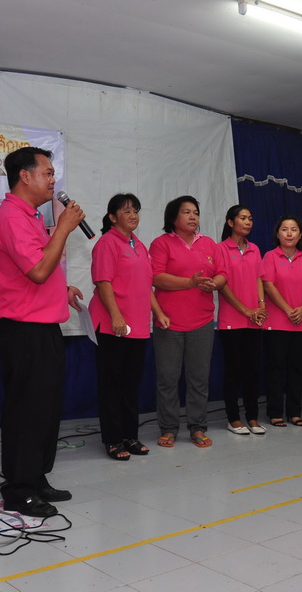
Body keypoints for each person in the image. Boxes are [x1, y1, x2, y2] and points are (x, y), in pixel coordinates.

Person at [0, 146, 86, 518]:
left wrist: (63, 290)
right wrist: (63, 228)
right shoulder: (11, 217)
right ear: (25, 176)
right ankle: (18, 490)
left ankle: (36, 477)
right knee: (26, 412)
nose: (52, 180)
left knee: (45, 410)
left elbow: (37, 273)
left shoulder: (29, 216)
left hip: (44, 328)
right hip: (24, 332)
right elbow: (39, 271)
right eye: (47, 172)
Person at [89, 193, 169, 460]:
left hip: (137, 325)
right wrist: (116, 315)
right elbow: (103, 282)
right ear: (113, 218)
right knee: (112, 385)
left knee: (130, 384)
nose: (133, 215)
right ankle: (113, 440)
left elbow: (146, 285)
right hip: (112, 325)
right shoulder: (107, 243)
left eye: (135, 210)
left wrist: (158, 312)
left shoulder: (139, 245)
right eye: (126, 211)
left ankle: (129, 436)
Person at [150, 196, 227, 449]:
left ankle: (198, 427)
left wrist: (215, 283)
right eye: (186, 212)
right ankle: (168, 428)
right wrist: (190, 283)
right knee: (168, 379)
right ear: (173, 217)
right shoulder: (161, 243)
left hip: (202, 322)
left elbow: (223, 273)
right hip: (168, 322)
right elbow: (156, 278)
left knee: (199, 379)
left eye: (196, 212)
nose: (193, 217)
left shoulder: (209, 244)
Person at [216, 205, 267, 436]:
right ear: (230, 222)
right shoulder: (220, 249)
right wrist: (245, 310)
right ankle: (233, 418)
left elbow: (259, 279)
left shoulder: (254, 249)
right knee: (233, 370)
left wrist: (261, 305)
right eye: (243, 218)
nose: (247, 222)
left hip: (254, 319)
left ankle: (252, 417)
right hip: (231, 319)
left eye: (250, 218)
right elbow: (222, 285)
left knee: (252, 370)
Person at [261, 215, 302, 428]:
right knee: (275, 369)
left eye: (294, 229)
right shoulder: (270, 256)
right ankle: (275, 413)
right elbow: (268, 286)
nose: (289, 233)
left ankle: (295, 412)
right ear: (278, 234)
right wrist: (288, 310)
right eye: (284, 229)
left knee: (297, 369)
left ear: (300, 235)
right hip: (276, 322)